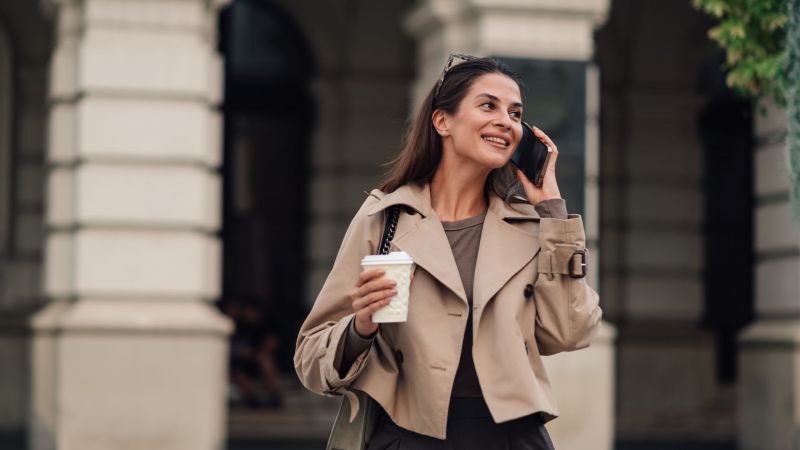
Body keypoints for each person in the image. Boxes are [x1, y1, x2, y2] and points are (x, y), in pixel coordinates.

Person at [294, 54, 602, 449]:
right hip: (409, 436)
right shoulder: (385, 217)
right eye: (488, 105)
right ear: (443, 121)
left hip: (512, 437)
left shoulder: (533, 227)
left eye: (515, 113)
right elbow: (310, 358)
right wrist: (361, 325)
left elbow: (571, 333)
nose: (505, 121)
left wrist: (553, 213)